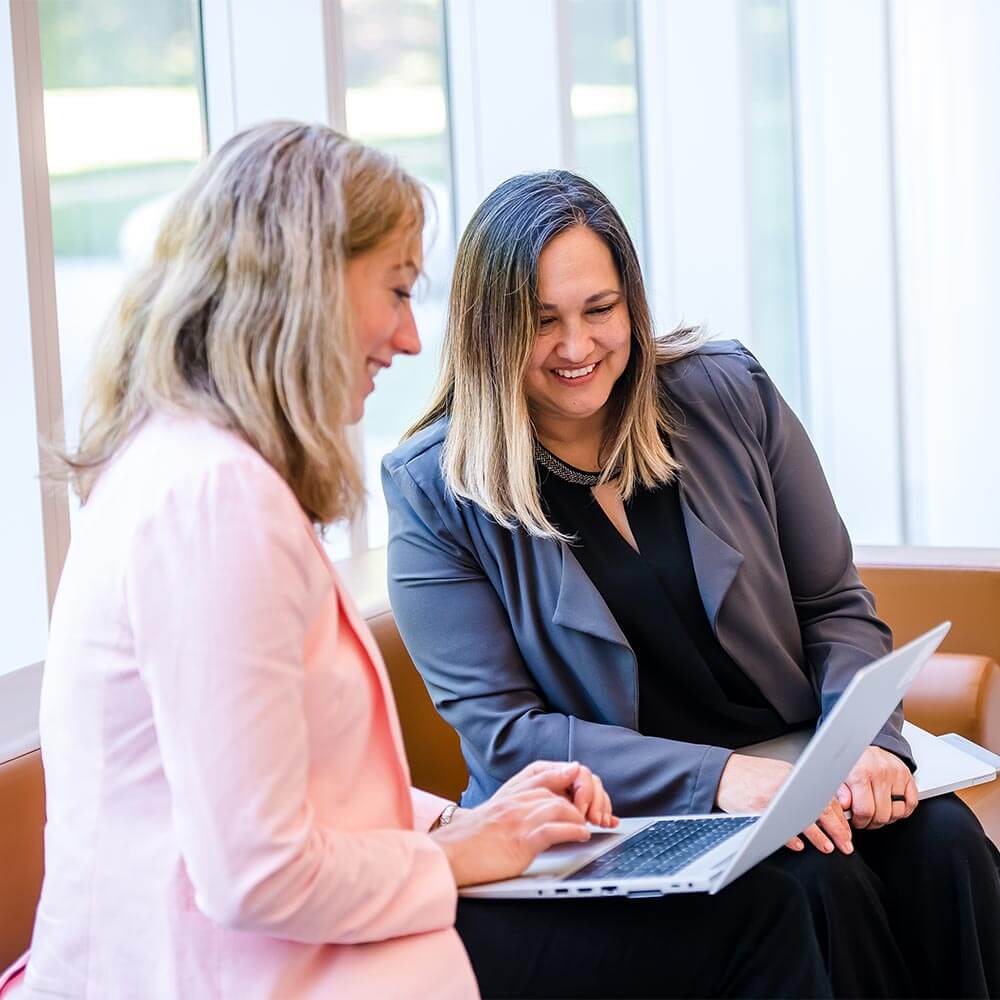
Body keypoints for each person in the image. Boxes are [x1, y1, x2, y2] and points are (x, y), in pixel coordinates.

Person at [0, 124, 833, 1000]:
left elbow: (285, 791)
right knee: (757, 918)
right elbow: (254, 877)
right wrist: (455, 853)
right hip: (222, 970)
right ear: (304, 289)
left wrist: (476, 816)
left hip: (278, 933)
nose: (406, 337)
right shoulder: (215, 501)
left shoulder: (187, 465)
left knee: (791, 895)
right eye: (396, 292)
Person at [383, 169, 1000, 998]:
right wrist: (721, 779)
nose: (577, 347)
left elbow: (833, 606)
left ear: (631, 305)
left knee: (947, 848)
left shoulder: (727, 394)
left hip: (799, 771)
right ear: (486, 332)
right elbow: (507, 737)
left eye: (599, 311)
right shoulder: (434, 488)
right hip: (628, 821)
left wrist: (867, 744)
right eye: (540, 324)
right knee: (817, 888)